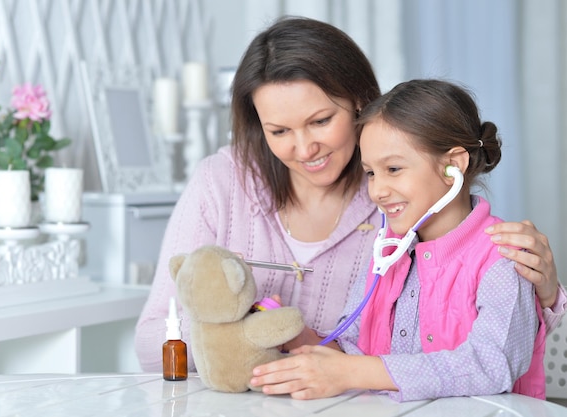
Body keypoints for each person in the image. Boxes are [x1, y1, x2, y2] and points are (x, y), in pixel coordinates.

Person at [134, 16, 565, 372]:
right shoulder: (221, 182)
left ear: (359, 101)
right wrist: (251, 334)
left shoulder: (401, 202)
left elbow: (465, 322)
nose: (304, 149)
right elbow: (154, 338)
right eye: (279, 131)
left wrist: (548, 296)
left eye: (320, 121)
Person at [250, 79, 546, 401]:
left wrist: (352, 372)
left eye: (393, 168)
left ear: (453, 165)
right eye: (371, 173)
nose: (377, 191)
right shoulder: (388, 254)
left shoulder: (504, 255)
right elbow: (353, 347)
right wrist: (298, 338)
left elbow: (491, 364)